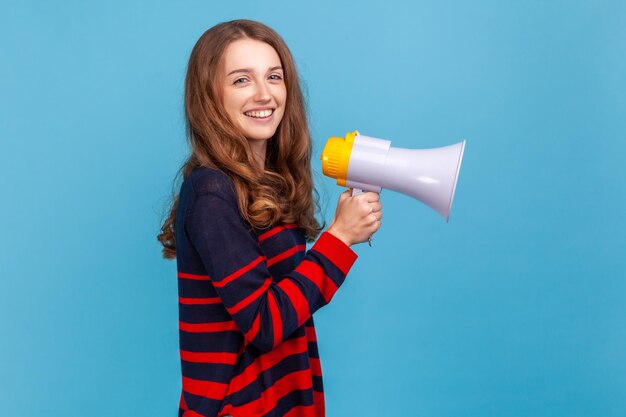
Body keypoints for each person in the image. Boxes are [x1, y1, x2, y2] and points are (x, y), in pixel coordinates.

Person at [158, 19, 382, 417]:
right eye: (241, 80)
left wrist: (341, 236)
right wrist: (340, 238)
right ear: (210, 96)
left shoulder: (268, 183)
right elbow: (265, 323)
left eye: (274, 77)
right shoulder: (211, 192)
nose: (265, 94)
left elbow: (289, 299)